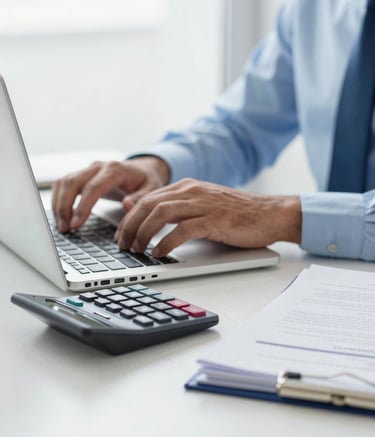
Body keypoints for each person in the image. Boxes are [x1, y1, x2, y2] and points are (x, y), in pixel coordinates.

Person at [52, 0, 375, 262]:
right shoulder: (314, 9)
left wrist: (284, 216)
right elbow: (243, 128)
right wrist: (157, 166)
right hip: (325, 282)